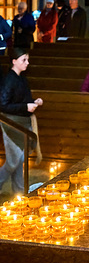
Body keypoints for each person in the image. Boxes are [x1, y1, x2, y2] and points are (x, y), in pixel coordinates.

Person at [0, 48, 43, 194]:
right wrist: (26, 106)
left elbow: (22, 99)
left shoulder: (22, 78)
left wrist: (33, 101)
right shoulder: (9, 80)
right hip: (11, 124)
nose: (27, 63)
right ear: (14, 61)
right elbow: (3, 105)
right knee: (13, 161)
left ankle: (19, 191)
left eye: (27, 59)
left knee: (19, 160)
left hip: (22, 123)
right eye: (24, 60)